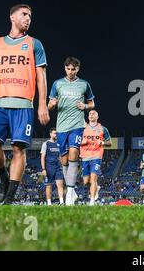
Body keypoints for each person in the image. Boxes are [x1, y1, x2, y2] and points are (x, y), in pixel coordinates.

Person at [0, 4, 50, 204]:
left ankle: (9, 198)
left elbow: (41, 76)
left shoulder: (35, 44)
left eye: (30, 16)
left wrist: (42, 104)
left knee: (18, 149)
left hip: (23, 104)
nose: (28, 19)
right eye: (24, 14)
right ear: (12, 17)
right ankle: (4, 178)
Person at [48, 57, 95, 205]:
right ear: (65, 68)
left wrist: (86, 107)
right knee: (64, 159)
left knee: (74, 152)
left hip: (77, 125)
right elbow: (49, 105)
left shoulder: (84, 84)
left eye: (73, 69)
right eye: (68, 69)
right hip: (62, 126)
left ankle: (69, 193)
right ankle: (72, 190)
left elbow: (92, 103)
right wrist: (52, 104)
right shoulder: (57, 84)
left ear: (77, 69)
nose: (70, 71)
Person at [79, 110, 111, 206]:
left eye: (94, 114)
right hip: (85, 156)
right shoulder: (83, 128)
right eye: (90, 114)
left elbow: (110, 143)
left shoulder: (103, 129)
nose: (91, 115)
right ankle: (96, 187)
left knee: (93, 179)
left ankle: (92, 201)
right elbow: (77, 141)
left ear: (97, 117)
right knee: (85, 182)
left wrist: (102, 143)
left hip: (97, 156)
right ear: (88, 117)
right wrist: (82, 142)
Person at [40, 128, 64, 205]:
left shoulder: (59, 144)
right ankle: (49, 203)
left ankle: (62, 202)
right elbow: (42, 157)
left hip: (57, 167)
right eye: (54, 133)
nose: (56, 135)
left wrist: (63, 166)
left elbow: (60, 156)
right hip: (49, 167)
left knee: (60, 184)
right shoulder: (46, 144)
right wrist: (43, 169)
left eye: (56, 133)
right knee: (49, 186)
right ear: (50, 134)